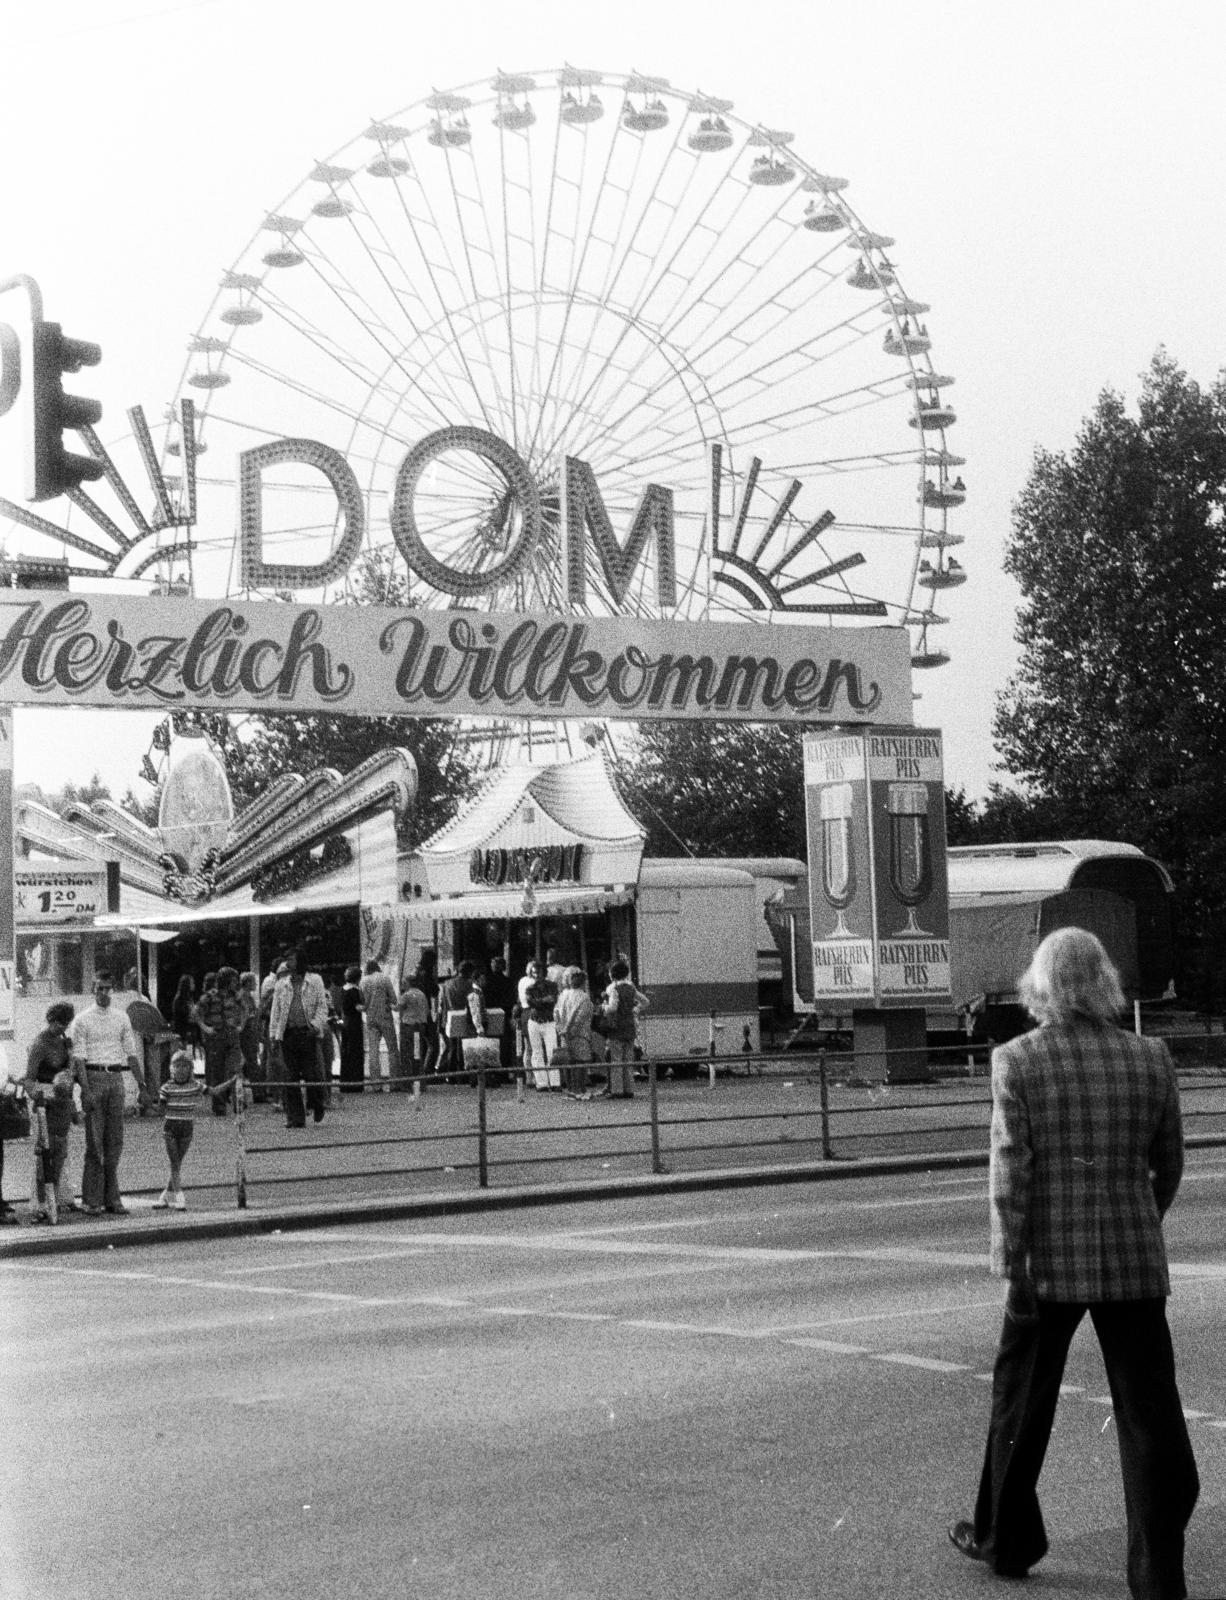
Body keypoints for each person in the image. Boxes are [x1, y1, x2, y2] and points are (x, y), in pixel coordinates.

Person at [948, 928, 1198, 1597]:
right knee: (1149, 1418)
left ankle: (1007, 1541)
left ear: (1040, 985)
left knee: (1020, 1405)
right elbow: (1169, 1163)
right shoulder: (1151, 1057)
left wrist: (1011, 1262)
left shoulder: (1017, 1060)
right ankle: (1158, 1577)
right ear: (1104, 982)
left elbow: (1011, 1174)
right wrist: (1137, 1218)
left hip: (1045, 1264)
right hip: (1133, 1261)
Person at [69, 971, 147, 1215]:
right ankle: (91, 1199)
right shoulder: (82, 1020)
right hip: (94, 1076)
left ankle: (112, 1198)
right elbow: (79, 1058)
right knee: (95, 1142)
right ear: (93, 990)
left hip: (116, 1077)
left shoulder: (121, 1017)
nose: (104, 993)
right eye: (100, 988)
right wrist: (85, 1090)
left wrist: (142, 1085)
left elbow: (131, 1053)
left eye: (108, 988)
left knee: (115, 1141)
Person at [24, 1001, 88, 1222]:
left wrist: (70, 1053)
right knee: (44, 1154)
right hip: (44, 1099)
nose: (62, 1028)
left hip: (62, 1098)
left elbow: (70, 1073)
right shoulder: (40, 1044)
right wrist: (39, 1100)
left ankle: (62, 1197)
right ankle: (40, 1203)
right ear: (50, 1020)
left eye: (66, 1024)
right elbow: (29, 1079)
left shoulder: (64, 1043)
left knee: (61, 1151)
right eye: (59, 1023)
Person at [155, 1049, 236, 1210]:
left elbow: (214, 1091)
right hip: (170, 1129)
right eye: (177, 1066)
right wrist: (147, 1104)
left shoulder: (195, 1086)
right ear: (172, 1068)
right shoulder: (166, 1088)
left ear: (190, 1069)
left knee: (177, 1164)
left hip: (187, 1129)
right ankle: (179, 1197)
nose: (181, 1069)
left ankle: (164, 1197)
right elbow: (160, 1110)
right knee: (175, 1163)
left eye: (185, 1066)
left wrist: (231, 1081)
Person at [268, 948, 331, 1128]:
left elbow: (322, 1006)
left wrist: (315, 1025)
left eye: (291, 959)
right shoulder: (281, 984)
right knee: (290, 1077)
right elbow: (275, 1011)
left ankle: (317, 1103)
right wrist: (274, 1036)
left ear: (300, 962)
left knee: (312, 1074)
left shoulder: (315, 980)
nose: (288, 963)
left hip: (307, 1033)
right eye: (287, 959)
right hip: (288, 1034)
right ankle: (295, 1117)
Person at [196, 966, 243, 1116]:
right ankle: (219, 1105)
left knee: (234, 1069)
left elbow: (245, 1008)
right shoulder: (210, 996)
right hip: (216, 1037)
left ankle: (237, 1102)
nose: (236, 983)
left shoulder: (236, 996)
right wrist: (205, 1028)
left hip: (232, 1036)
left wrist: (240, 1025)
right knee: (217, 1072)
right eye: (233, 980)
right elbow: (197, 1012)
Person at [600, 959, 648, 1098]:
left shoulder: (613, 989)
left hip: (617, 1028)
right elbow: (645, 1001)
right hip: (630, 1026)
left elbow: (613, 1008)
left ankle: (617, 1090)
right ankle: (629, 1089)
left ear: (613, 974)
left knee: (616, 1060)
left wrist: (604, 1007)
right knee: (628, 1060)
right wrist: (635, 1010)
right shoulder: (631, 988)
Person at [359, 960, 401, 1090]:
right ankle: (394, 1083)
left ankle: (376, 1085)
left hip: (370, 1018)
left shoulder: (363, 981)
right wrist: (386, 1000)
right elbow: (394, 999)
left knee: (373, 1051)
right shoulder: (384, 978)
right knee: (392, 1050)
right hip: (385, 1017)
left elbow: (363, 1003)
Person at [554, 967, 594, 1096]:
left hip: (563, 1034)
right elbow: (581, 1018)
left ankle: (570, 1089)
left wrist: (561, 1029)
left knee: (568, 1061)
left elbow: (556, 1013)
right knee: (580, 1062)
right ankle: (579, 1090)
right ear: (583, 982)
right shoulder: (584, 997)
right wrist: (571, 1030)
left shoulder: (563, 995)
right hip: (580, 1034)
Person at [522, 959, 560, 1090]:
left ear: (544, 972)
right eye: (534, 973)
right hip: (535, 1021)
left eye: (538, 972)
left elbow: (552, 1001)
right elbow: (531, 1003)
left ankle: (555, 1083)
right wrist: (544, 1000)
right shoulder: (530, 988)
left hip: (548, 1021)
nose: (536, 975)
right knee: (536, 1052)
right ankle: (541, 1083)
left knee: (552, 1051)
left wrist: (538, 1001)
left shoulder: (552, 986)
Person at [339, 965, 365, 1093]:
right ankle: (356, 1083)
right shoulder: (355, 991)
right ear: (358, 978)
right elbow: (358, 1007)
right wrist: (367, 1006)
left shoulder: (343, 989)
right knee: (355, 1051)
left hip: (345, 1022)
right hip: (354, 1023)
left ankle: (345, 1082)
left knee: (346, 1051)